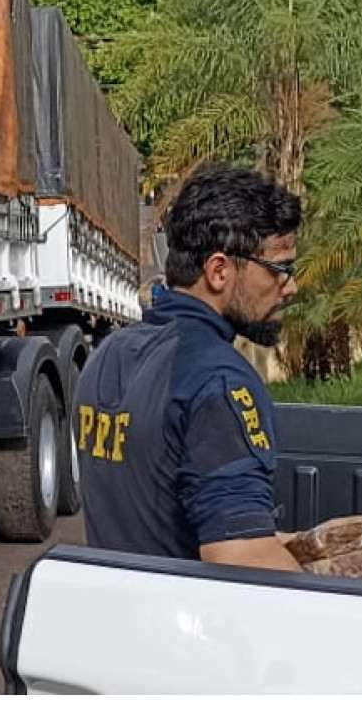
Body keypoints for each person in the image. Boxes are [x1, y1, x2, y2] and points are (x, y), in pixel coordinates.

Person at [75, 163, 304, 571]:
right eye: (281, 268)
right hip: (184, 629)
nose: (291, 286)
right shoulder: (219, 382)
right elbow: (240, 558)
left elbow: (161, 516)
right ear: (219, 270)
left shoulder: (107, 355)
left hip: (114, 620)